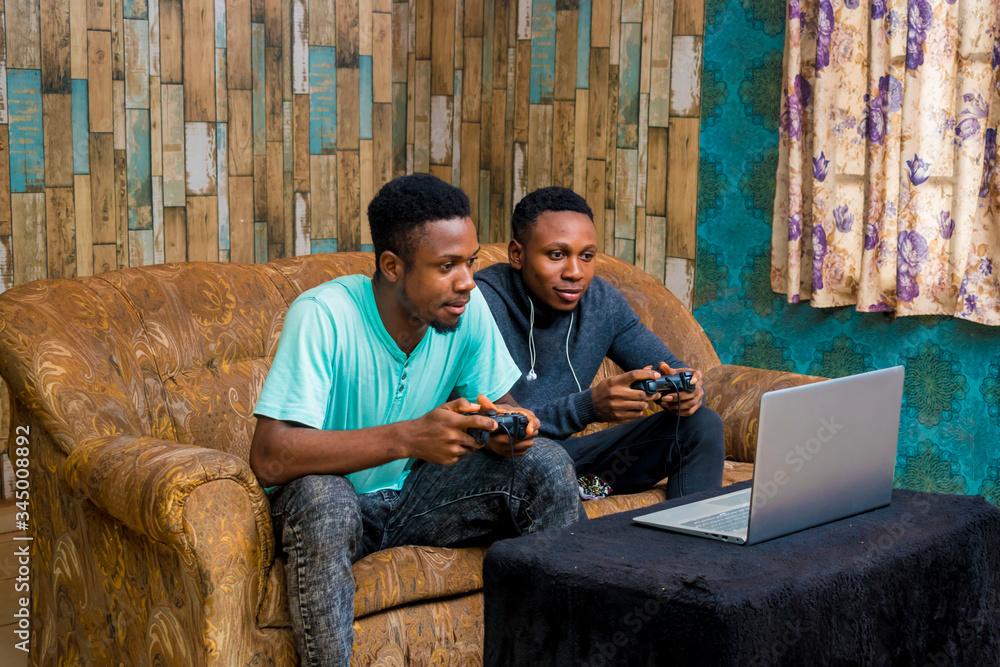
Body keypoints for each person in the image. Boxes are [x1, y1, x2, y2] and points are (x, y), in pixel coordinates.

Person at [250, 175, 581, 666]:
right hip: (327, 511)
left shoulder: (464, 312)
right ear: (392, 266)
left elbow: (501, 403)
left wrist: (506, 429)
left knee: (548, 464)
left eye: (470, 262)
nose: (468, 281)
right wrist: (410, 437)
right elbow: (271, 456)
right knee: (327, 496)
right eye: (447, 266)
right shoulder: (324, 314)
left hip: (410, 502)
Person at [474, 186, 725, 499]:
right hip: (499, 468)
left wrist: (684, 390)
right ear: (517, 254)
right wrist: (588, 407)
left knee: (699, 425)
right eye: (557, 255)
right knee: (542, 459)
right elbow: (493, 428)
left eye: (587, 256)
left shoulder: (601, 303)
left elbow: (669, 367)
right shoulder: (479, 304)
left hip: (577, 467)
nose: (575, 272)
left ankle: (693, 545)